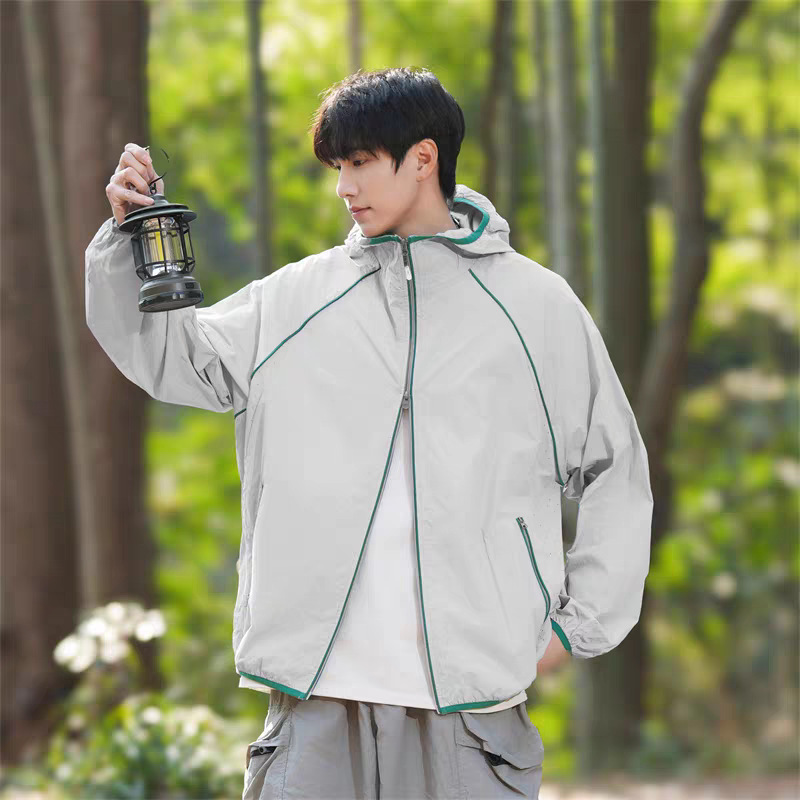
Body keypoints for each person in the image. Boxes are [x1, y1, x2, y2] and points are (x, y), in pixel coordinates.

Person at [87, 66, 653, 799]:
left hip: (471, 712)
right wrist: (128, 237)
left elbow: (615, 469)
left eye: (359, 163)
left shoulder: (536, 308)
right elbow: (173, 359)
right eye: (337, 167)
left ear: (423, 159)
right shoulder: (297, 300)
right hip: (314, 703)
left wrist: (579, 627)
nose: (344, 187)